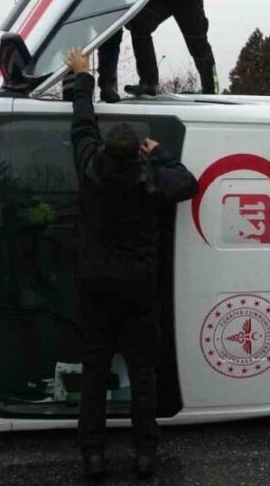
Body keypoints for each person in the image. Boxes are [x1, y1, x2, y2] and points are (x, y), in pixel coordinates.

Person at [65, 48, 198, 478]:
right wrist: (159, 154)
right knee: (143, 374)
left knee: (94, 371)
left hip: (96, 292)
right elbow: (188, 185)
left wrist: (82, 77)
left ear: (105, 149)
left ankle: (93, 457)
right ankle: (144, 454)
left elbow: (81, 122)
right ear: (137, 152)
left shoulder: (89, 169)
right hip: (139, 293)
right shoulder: (152, 181)